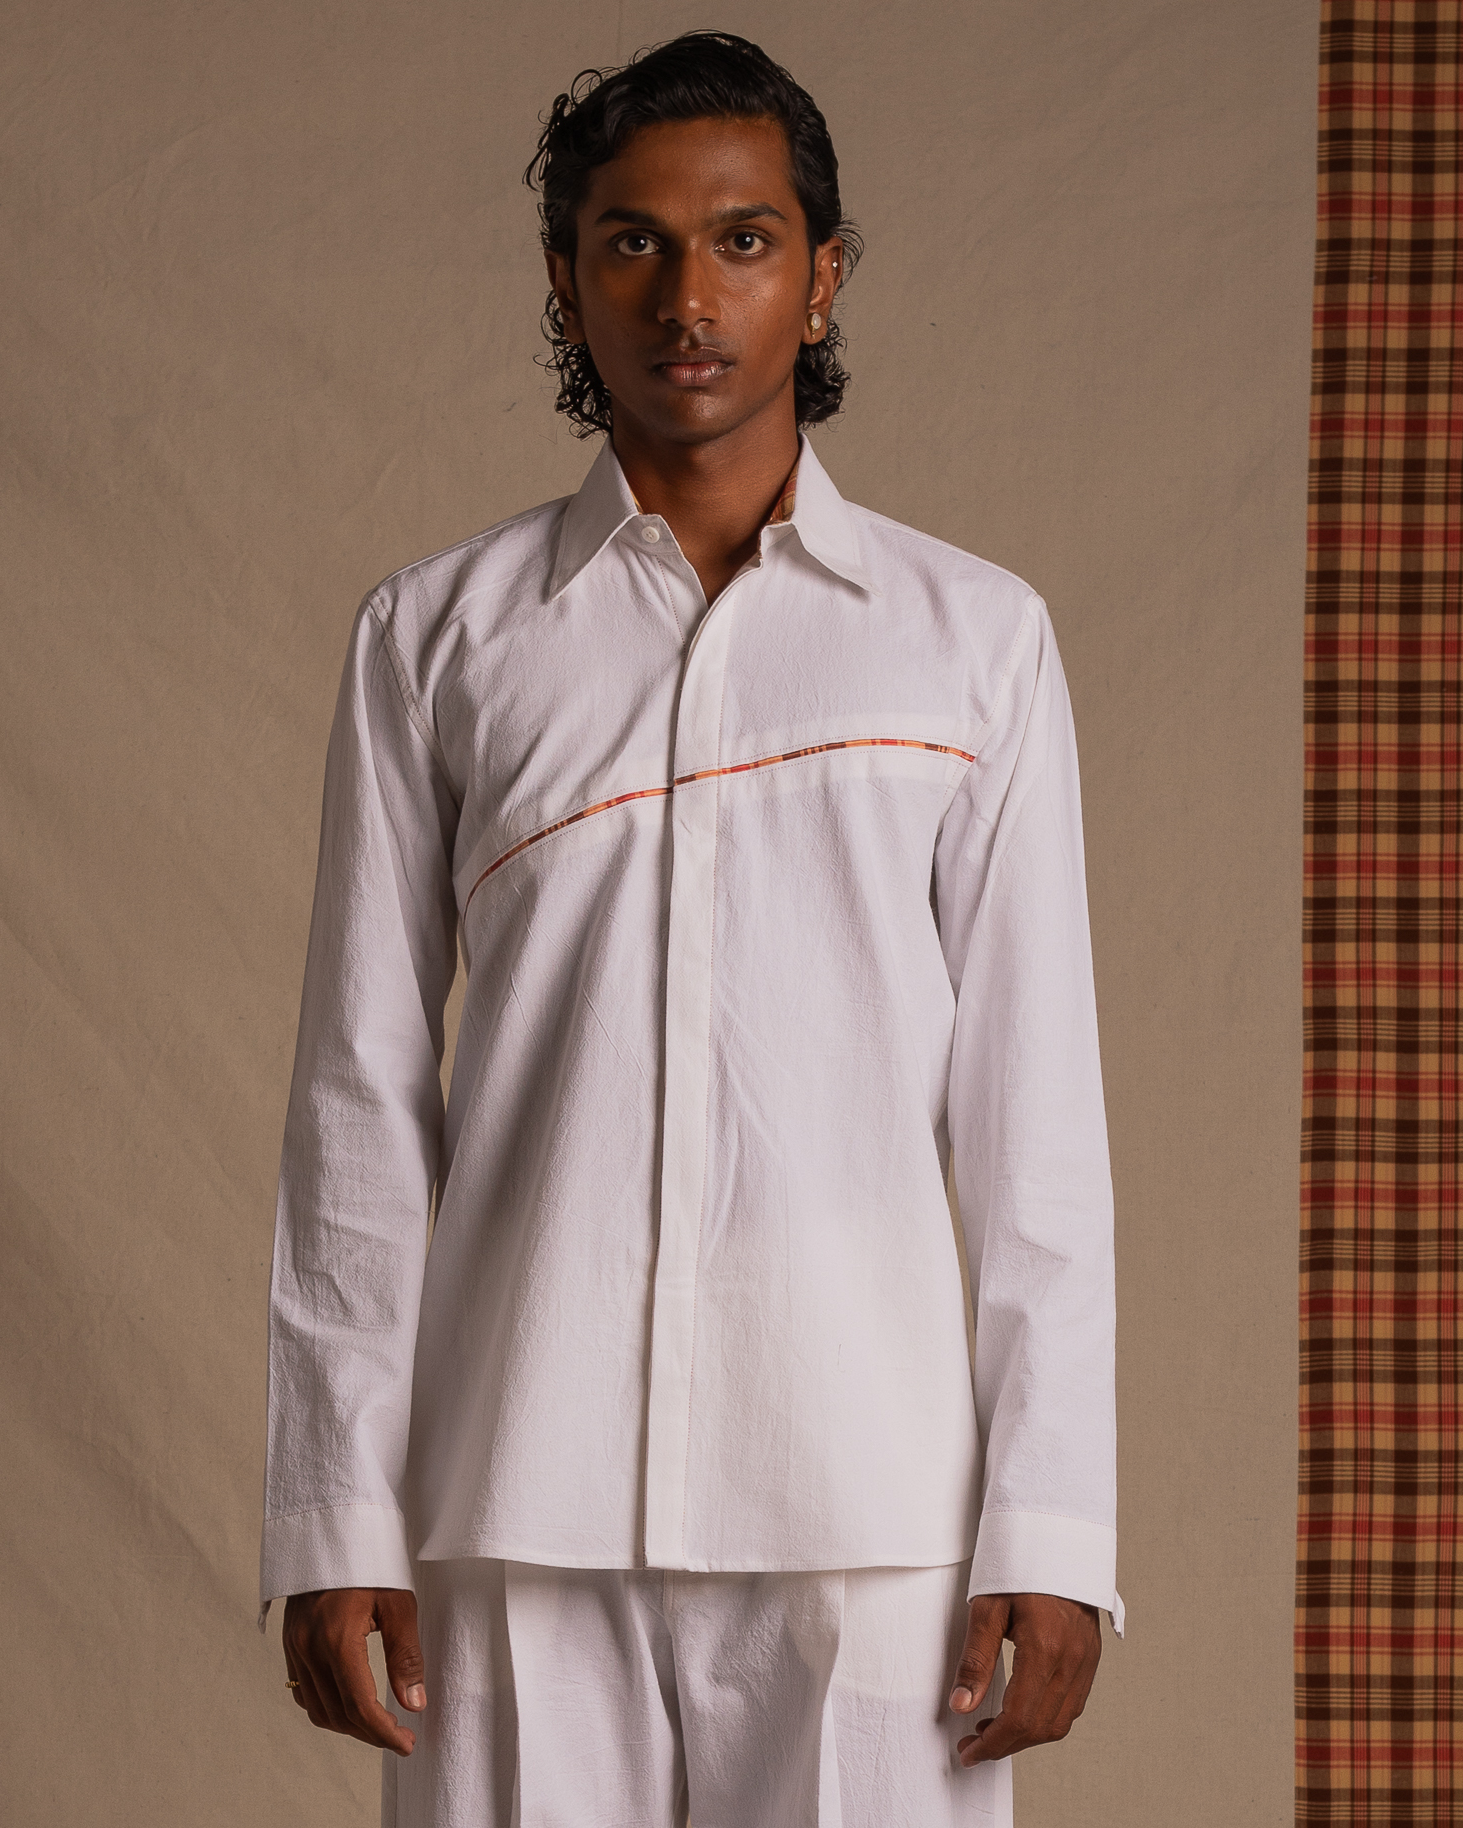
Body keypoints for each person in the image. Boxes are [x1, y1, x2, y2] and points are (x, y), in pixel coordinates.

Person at [259, 29, 1122, 1828]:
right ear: (564, 285)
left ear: (820, 277)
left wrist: (1053, 1524)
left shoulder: (972, 642)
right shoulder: (437, 639)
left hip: (872, 1512)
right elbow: (357, 1097)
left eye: (742, 239)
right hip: (513, 1490)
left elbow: (1031, 1118)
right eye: (629, 241)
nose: (686, 293)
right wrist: (334, 1509)